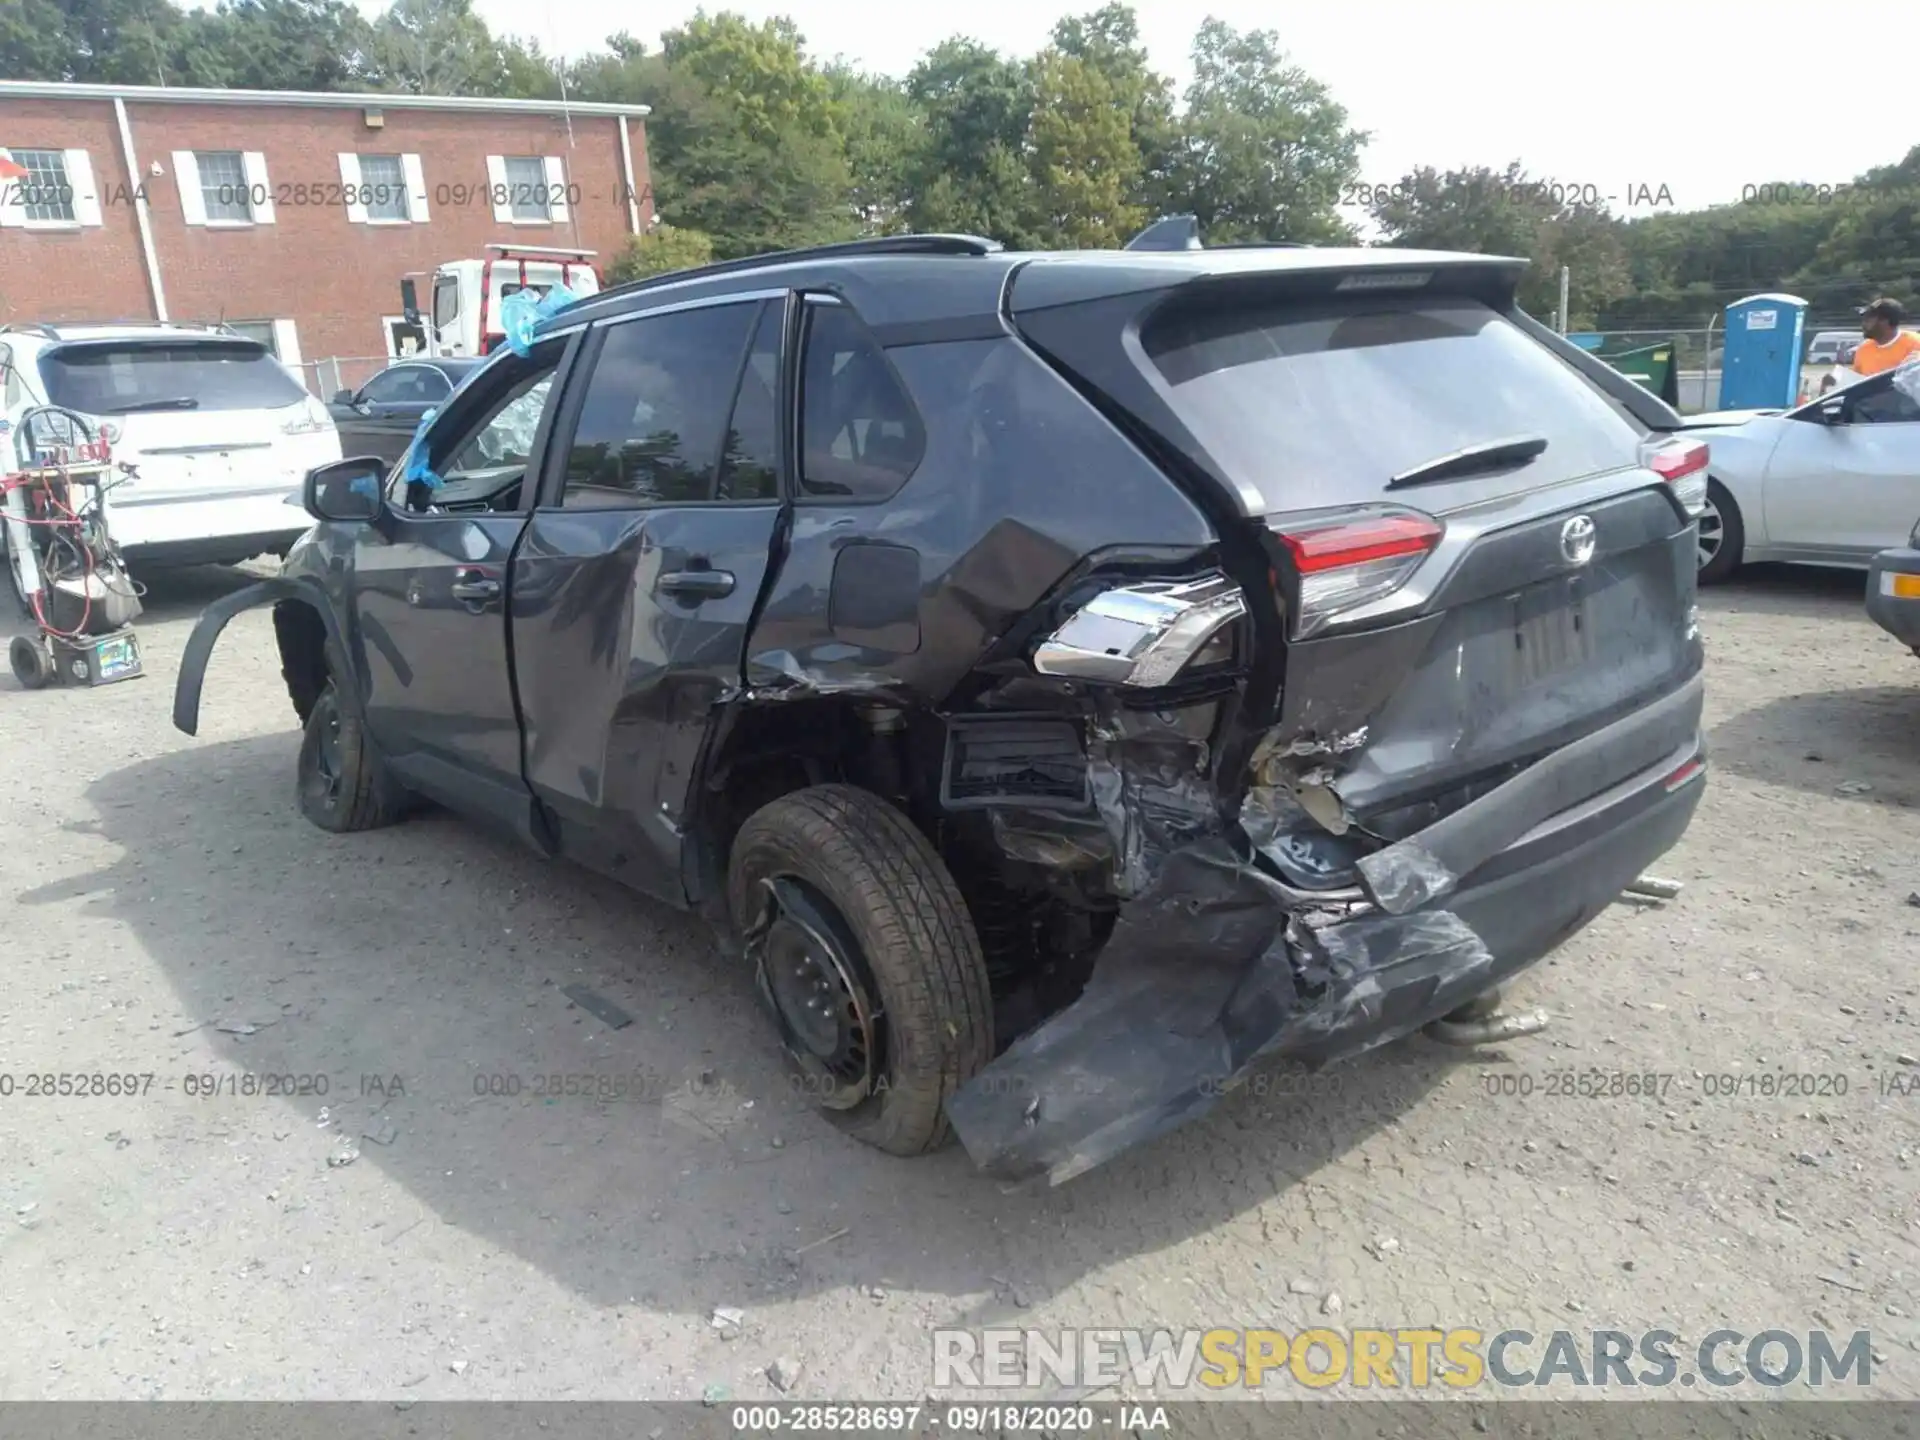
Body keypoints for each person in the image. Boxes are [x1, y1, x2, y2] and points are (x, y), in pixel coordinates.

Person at [1851, 298, 1920, 377]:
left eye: (1868, 320)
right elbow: (1856, 384)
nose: (1863, 324)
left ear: (1885, 321)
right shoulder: (1863, 349)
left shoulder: (1915, 343)